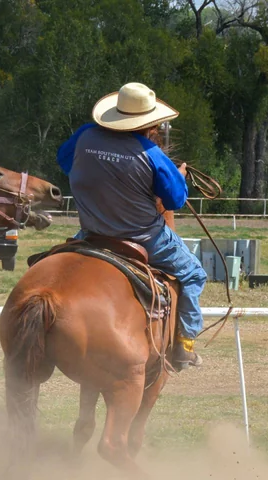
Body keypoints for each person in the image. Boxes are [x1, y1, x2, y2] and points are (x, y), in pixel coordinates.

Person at [56, 82, 208, 371]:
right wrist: (178, 176)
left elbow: (65, 162)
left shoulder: (84, 136)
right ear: (149, 123)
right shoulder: (152, 154)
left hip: (91, 234)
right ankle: (184, 346)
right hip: (146, 239)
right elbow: (175, 200)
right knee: (193, 273)